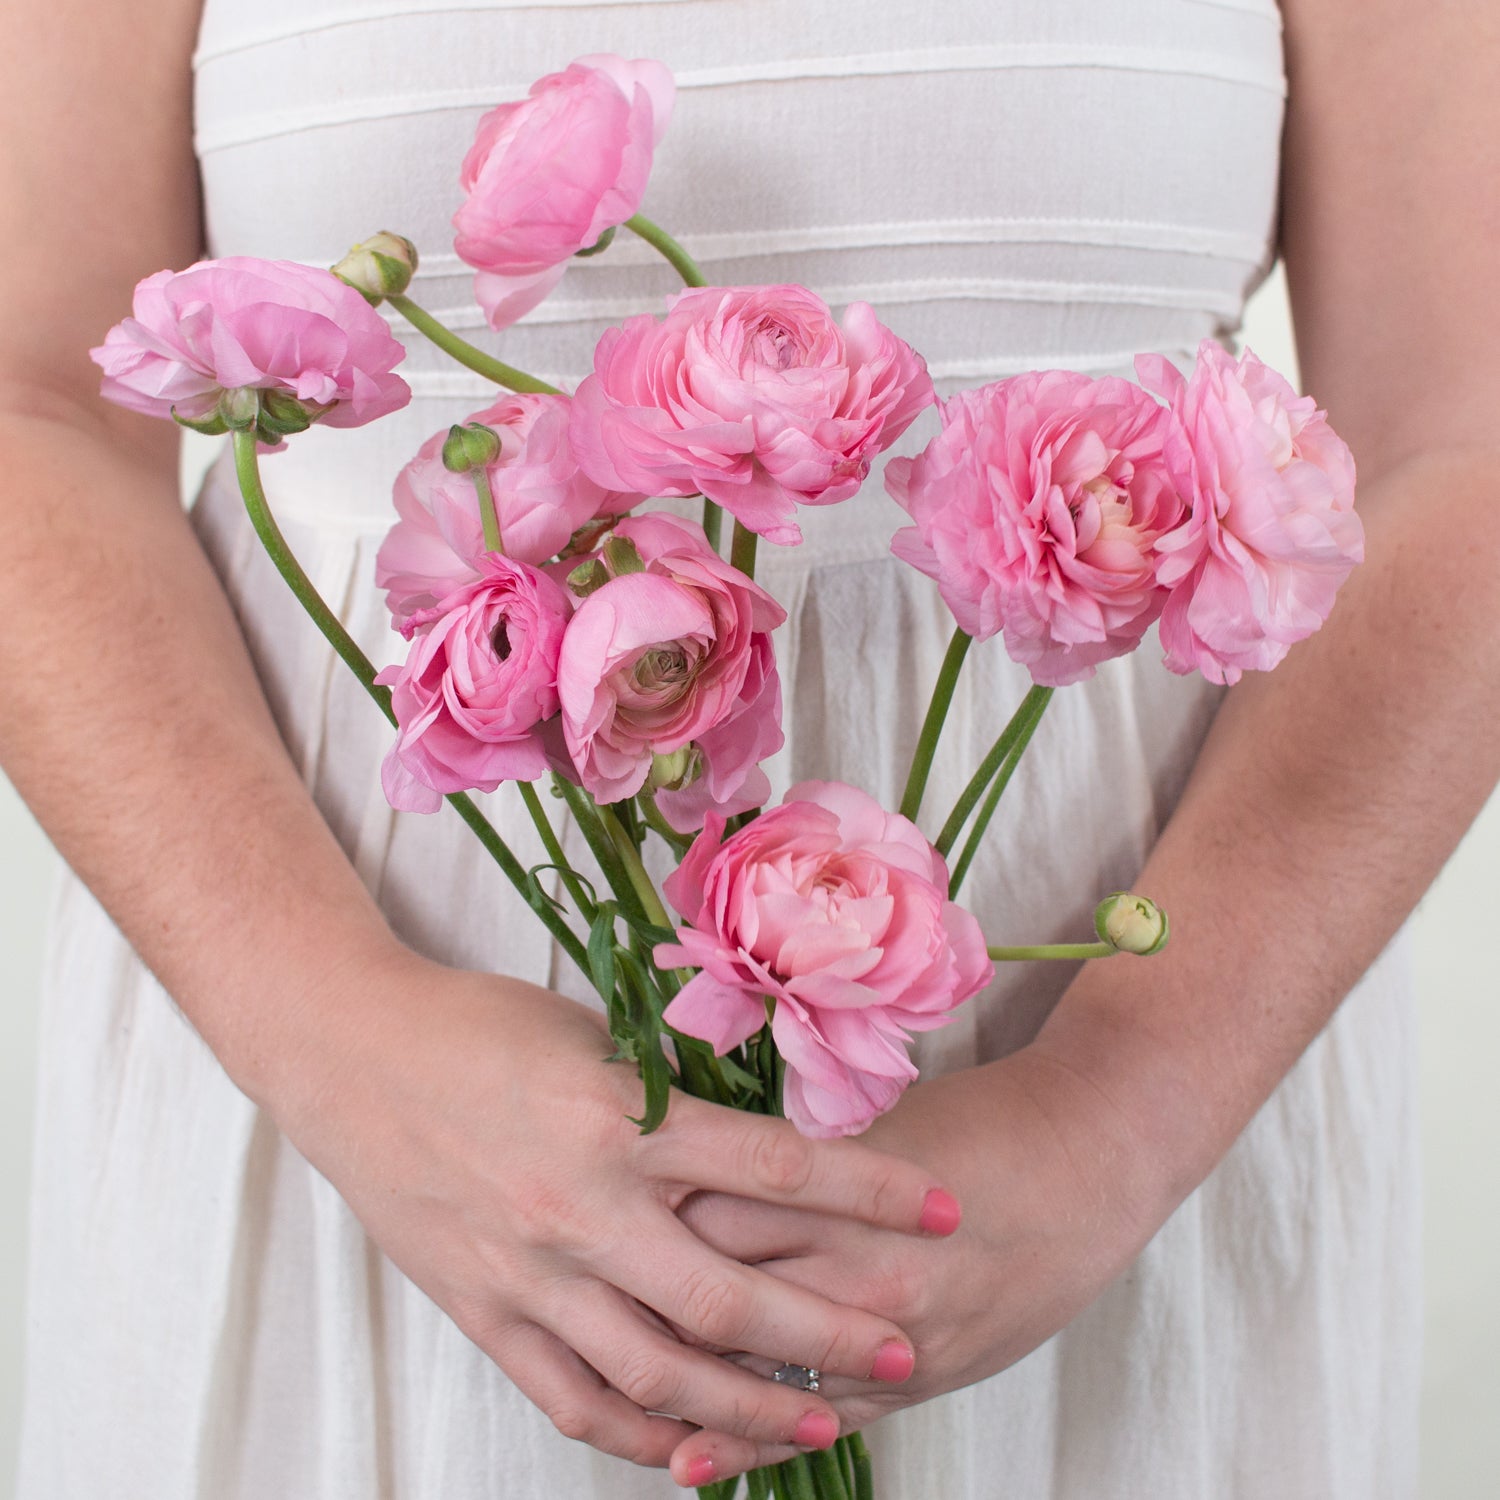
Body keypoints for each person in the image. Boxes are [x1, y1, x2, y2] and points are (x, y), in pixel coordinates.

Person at [5, 0, 1494, 1495]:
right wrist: (340, 1040)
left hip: (1112, 1115)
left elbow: (1462, 440)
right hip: (352, 1099)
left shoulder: (1120, 1114)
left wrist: (1125, 1112)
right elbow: (30, 406)